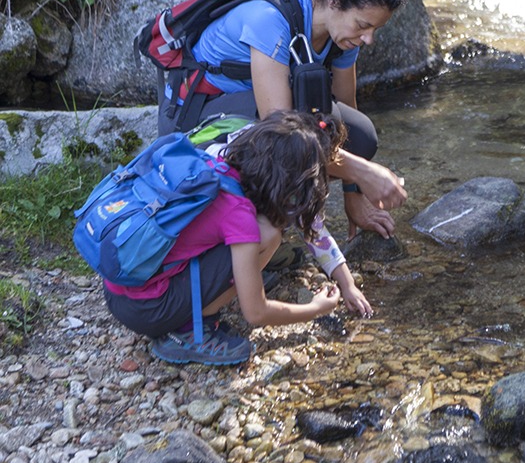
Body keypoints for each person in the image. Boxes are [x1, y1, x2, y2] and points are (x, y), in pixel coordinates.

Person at [157, 0, 409, 239]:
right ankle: (251, 233)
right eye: (363, 25)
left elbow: (347, 116)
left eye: (376, 29)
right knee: (290, 144)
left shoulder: (344, 33)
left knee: (360, 135)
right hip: (200, 118)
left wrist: (354, 196)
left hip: (255, 111)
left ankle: (279, 209)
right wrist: (362, 172)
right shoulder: (270, 19)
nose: (369, 38)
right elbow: (282, 136)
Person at [104, 110, 371, 366]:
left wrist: (346, 283)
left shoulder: (216, 163)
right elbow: (255, 313)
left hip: (118, 287)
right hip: (146, 311)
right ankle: (187, 333)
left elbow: (313, 228)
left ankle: (211, 296)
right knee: (269, 234)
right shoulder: (239, 214)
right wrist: (315, 308)